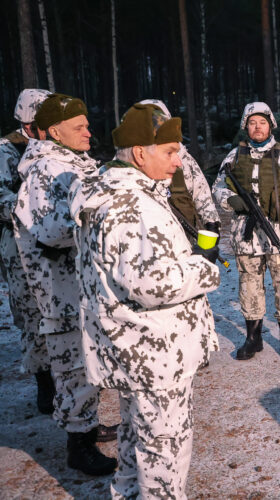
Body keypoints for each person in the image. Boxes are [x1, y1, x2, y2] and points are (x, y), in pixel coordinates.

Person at [70, 102, 220, 498]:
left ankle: (127, 494)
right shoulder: (134, 206)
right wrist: (205, 270)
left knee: (135, 440)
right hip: (154, 355)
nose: (178, 161)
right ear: (140, 152)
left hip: (132, 349)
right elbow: (155, 284)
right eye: (170, 152)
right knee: (164, 453)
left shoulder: (110, 192)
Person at [13, 93, 117, 475]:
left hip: (82, 285)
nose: (89, 131)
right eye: (80, 127)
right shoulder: (45, 171)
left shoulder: (71, 163)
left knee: (89, 361)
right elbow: (53, 232)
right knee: (73, 365)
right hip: (63, 291)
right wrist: (97, 210)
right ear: (55, 131)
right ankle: (79, 444)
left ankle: (87, 424)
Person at [212, 102, 280, 360]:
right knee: (249, 285)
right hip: (246, 235)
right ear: (246, 126)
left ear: (270, 124)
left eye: (262, 122)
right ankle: (253, 338)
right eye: (252, 123)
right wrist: (230, 200)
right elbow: (217, 187)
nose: (257, 127)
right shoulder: (234, 157)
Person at [0, 88, 53, 413]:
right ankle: (44, 382)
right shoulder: (6, 150)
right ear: (29, 123)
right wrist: (36, 208)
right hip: (20, 245)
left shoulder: (52, 147)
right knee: (32, 315)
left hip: (55, 246)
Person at [138, 99, 220, 235]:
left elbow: (201, 192)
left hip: (188, 239)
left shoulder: (183, 158)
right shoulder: (132, 161)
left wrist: (211, 223)